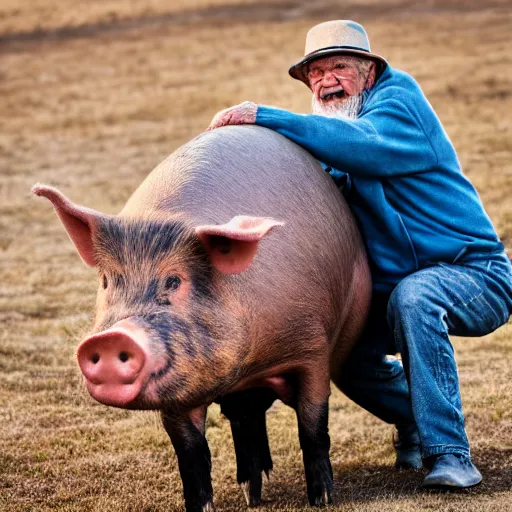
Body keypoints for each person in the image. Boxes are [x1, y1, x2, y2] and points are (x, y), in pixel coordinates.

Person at [207, 20, 512, 489]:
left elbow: (363, 148)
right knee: (339, 350)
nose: (327, 81)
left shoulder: (397, 102)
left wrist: (266, 115)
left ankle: (451, 455)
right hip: (395, 291)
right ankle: (415, 421)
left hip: (474, 272)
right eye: (316, 72)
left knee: (418, 296)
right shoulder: (333, 135)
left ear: (369, 70)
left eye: (340, 67)